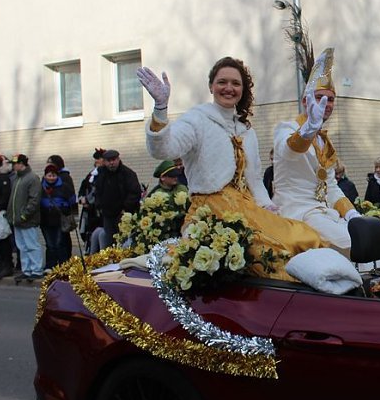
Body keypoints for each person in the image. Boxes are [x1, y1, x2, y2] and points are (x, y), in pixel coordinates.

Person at [138, 56, 326, 281]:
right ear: (211, 86)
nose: (229, 88)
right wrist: (160, 110)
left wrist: (267, 205)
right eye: (222, 82)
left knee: (304, 236)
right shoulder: (197, 119)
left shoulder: (245, 129)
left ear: (243, 89)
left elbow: (255, 178)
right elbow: (164, 149)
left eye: (236, 83)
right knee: (271, 253)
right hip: (211, 211)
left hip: (246, 206)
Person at [272, 49, 362, 255]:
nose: (326, 104)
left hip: (324, 213)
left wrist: (352, 214)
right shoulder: (286, 129)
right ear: (305, 101)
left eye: (330, 99)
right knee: (352, 244)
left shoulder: (324, 141)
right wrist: (309, 129)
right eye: (319, 97)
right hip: (296, 212)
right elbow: (289, 150)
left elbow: (330, 185)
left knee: (372, 241)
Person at [6, 154, 44, 281]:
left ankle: (36, 269)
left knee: (31, 245)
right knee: (22, 246)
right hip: (17, 219)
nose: (13, 165)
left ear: (22, 163)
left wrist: (24, 215)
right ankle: (27, 270)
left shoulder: (32, 178)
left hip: (27, 220)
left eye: (15, 163)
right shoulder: (18, 178)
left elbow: (34, 199)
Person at [94, 150, 142, 249]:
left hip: (123, 214)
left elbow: (134, 193)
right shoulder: (101, 174)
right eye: (108, 160)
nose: (111, 163)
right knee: (110, 243)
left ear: (118, 159)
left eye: (114, 160)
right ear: (105, 161)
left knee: (124, 243)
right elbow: (97, 191)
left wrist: (126, 208)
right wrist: (99, 206)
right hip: (108, 215)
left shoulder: (128, 173)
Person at [40, 163, 77, 269]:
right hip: (45, 220)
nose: (51, 178)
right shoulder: (41, 187)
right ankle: (50, 266)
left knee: (59, 243)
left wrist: (74, 218)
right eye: (49, 175)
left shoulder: (64, 187)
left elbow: (72, 201)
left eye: (54, 175)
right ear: (45, 176)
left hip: (60, 220)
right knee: (50, 245)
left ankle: (63, 265)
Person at [46, 154, 76, 257]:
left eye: (51, 163)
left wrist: (71, 214)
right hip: (50, 217)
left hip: (62, 215)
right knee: (53, 242)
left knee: (62, 241)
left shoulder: (64, 177)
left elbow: (71, 197)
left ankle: (65, 259)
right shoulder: (47, 179)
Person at [77, 148, 105, 254]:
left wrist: (91, 202)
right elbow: (82, 190)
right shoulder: (90, 175)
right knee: (89, 235)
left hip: (100, 213)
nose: (96, 161)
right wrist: (82, 199)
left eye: (99, 158)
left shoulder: (106, 175)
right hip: (89, 213)